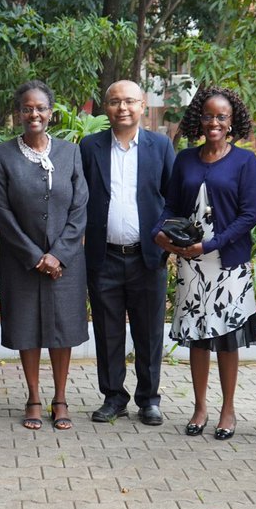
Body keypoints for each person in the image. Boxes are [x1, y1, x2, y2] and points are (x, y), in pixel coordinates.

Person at [156, 86, 256, 439]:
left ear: (232, 122)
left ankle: (227, 410)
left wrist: (211, 244)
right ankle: (200, 407)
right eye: (208, 115)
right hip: (191, 261)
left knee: (228, 338)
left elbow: (249, 215)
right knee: (198, 338)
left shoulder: (245, 161)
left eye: (221, 117)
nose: (214, 122)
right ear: (198, 119)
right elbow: (171, 206)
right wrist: (161, 232)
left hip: (227, 263)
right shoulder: (185, 159)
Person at [0, 80, 89, 430]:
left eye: (41, 108)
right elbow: (2, 212)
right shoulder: (1, 155)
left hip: (66, 263)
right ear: (19, 113)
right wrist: (36, 256)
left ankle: (60, 399)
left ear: (51, 112)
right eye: (27, 108)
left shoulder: (70, 152)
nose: (34, 114)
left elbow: (80, 207)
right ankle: (32, 397)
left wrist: (59, 255)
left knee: (62, 330)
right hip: (22, 261)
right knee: (27, 328)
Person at [80, 80, 176, 427]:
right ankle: (113, 397)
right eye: (115, 102)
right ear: (106, 107)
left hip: (147, 257)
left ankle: (149, 399)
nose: (122, 108)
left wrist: (165, 239)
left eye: (129, 102)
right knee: (107, 332)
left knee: (149, 332)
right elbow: (81, 198)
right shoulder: (89, 147)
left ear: (142, 105)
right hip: (103, 256)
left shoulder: (160, 146)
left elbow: (172, 198)